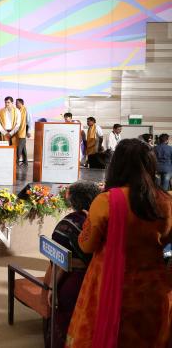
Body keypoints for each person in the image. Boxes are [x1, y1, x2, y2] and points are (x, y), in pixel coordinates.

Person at [66, 139, 172, 348]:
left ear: (116, 165)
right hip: (151, 287)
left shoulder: (106, 202)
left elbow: (87, 245)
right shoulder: (166, 202)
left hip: (108, 285)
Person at [44, 181, 101, 348]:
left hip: (74, 280)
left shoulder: (67, 223)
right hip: (99, 279)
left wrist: (52, 288)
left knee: (65, 319)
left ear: (74, 201)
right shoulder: (102, 221)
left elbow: (60, 260)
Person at [14, 98, 32, 165]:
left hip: (24, 130)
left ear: (21, 103)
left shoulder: (26, 109)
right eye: (16, 103)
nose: (16, 104)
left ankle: (16, 162)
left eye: (17, 103)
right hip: (17, 131)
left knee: (19, 147)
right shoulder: (16, 110)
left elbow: (29, 121)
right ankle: (25, 161)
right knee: (23, 147)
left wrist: (29, 131)